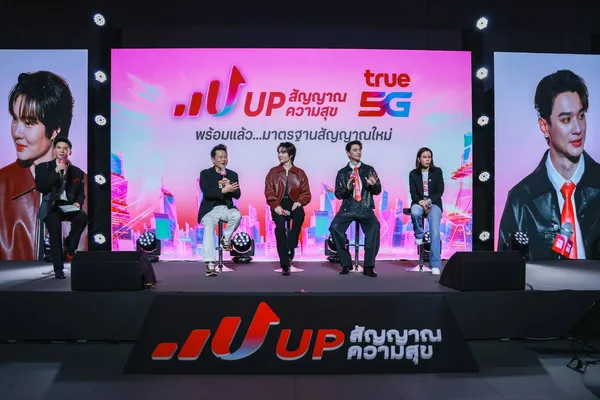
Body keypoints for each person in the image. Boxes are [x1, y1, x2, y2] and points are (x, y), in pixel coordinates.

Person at [498, 69, 600, 260]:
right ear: (544, 126)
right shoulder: (521, 200)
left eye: (581, 116)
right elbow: (506, 272)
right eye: (566, 119)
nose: (578, 129)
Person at [0, 70, 87, 261]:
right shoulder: (2, 186)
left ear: (55, 129)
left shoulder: (88, 189)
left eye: (29, 123)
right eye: (15, 119)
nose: (17, 133)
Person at [35, 138, 87, 278]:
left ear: (69, 152)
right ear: (54, 150)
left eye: (65, 148)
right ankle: (58, 269)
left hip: (67, 205)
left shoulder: (77, 172)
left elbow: (80, 193)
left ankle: (70, 244)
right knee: (55, 232)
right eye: (59, 147)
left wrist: (78, 203)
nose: (62, 151)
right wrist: (56, 170)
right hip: (51, 206)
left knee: (82, 216)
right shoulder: (43, 167)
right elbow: (41, 187)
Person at [329, 140, 381, 277]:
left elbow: (378, 190)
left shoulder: (369, 169)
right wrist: (347, 188)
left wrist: (372, 185)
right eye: (355, 150)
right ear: (348, 153)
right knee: (334, 227)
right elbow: (338, 194)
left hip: (365, 207)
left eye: (359, 150)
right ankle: (346, 263)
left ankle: (369, 266)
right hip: (348, 208)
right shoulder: (342, 172)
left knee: (374, 227)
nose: (358, 152)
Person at [264, 142, 312, 276]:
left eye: (283, 152)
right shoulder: (273, 172)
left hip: (294, 204)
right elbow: (269, 192)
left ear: (291, 155)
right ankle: (285, 264)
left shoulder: (300, 173)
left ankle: (292, 241)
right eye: (279, 152)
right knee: (280, 228)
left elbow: (306, 193)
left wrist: (299, 202)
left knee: (299, 214)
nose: (280, 155)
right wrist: (276, 206)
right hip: (278, 204)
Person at [197, 144, 242, 276]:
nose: (223, 159)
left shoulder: (232, 174)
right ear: (213, 159)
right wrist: (223, 190)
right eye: (220, 157)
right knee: (208, 228)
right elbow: (207, 193)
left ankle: (226, 238)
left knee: (237, 215)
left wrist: (230, 188)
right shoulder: (205, 174)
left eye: (225, 157)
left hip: (226, 208)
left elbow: (238, 195)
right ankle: (210, 264)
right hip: (209, 210)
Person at [409, 147, 444, 275]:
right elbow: (413, 193)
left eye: (429, 157)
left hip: (433, 203)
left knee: (435, 232)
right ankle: (419, 235)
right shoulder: (413, 173)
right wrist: (421, 202)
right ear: (419, 159)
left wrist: (428, 202)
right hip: (419, 202)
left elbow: (439, 191)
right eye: (424, 157)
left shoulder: (437, 171)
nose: (427, 159)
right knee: (415, 212)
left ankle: (435, 264)